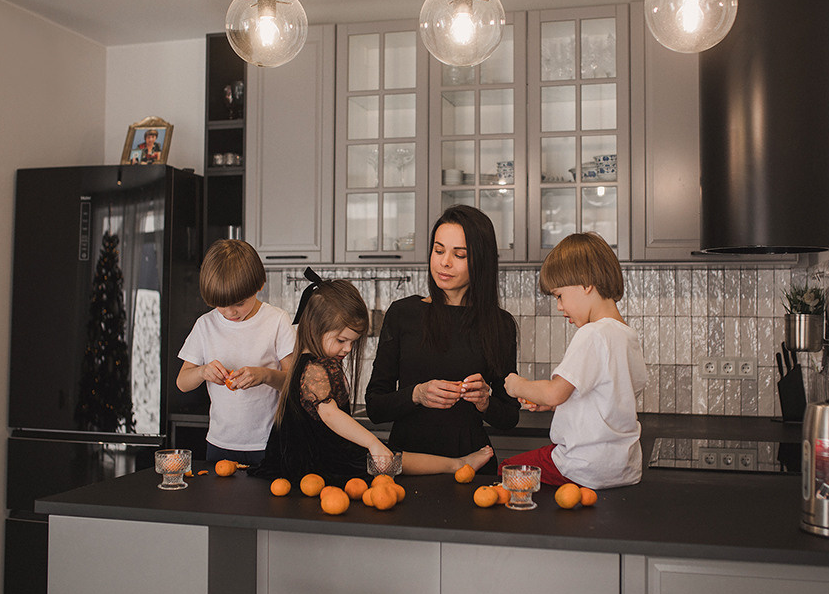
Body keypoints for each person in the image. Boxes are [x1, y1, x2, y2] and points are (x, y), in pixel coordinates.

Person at [251, 269, 494, 484]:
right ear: (315, 328)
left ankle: (457, 464)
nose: (347, 349)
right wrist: (372, 443)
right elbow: (331, 414)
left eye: (352, 342)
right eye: (341, 340)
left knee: (391, 457)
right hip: (319, 466)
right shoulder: (315, 368)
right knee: (388, 459)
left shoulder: (310, 363)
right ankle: (457, 464)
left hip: (316, 460)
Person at [364, 205, 518, 474]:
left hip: (473, 465)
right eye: (438, 250)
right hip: (408, 465)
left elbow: (509, 416)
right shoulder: (403, 314)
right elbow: (375, 406)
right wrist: (416, 394)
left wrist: (485, 402)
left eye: (459, 255)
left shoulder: (499, 324)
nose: (444, 262)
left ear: (480, 261)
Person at [500, 232, 648, 489]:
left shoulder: (592, 333)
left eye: (559, 295)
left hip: (584, 465)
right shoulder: (627, 336)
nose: (559, 306)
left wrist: (517, 385)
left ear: (586, 283)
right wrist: (559, 406)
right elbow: (607, 398)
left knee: (507, 469)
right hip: (623, 468)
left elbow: (555, 392)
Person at [176, 239, 295, 464]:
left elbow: (293, 384)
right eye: (221, 304)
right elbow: (182, 382)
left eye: (240, 303)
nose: (231, 312)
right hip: (219, 443)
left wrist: (265, 375)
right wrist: (202, 372)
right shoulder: (205, 325)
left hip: (268, 441)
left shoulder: (277, 320)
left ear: (259, 285)